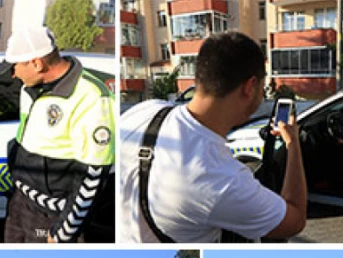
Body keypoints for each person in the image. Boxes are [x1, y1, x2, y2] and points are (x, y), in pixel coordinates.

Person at [119, 32, 306, 243]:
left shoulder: (143, 112)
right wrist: (293, 143)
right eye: (262, 88)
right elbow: (295, 220)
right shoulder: (220, 178)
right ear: (250, 87)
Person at [0, 26, 114, 243]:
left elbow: (93, 174)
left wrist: (63, 230)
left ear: (37, 63)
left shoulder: (92, 97)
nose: (13, 74)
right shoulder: (28, 88)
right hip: (20, 204)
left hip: (52, 217)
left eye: (14, 66)